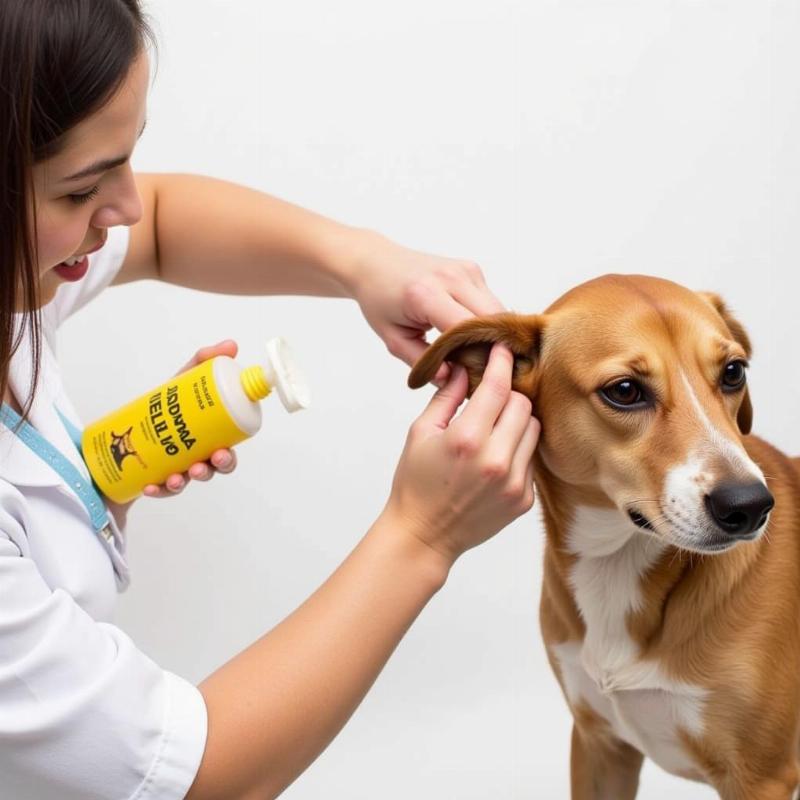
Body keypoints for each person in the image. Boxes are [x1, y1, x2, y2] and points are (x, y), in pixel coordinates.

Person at [0, 2, 541, 798]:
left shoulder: (30, 272)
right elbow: (199, 780)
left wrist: (366, 262)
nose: (127, 208)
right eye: (82, 192)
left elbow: (164, 225)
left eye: (128, 157)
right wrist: (424, 534)